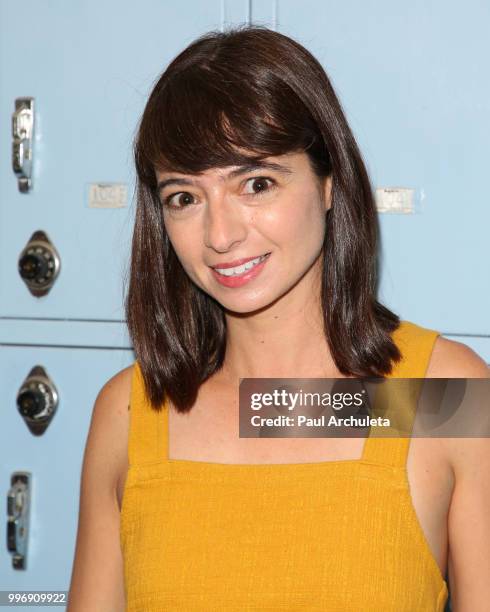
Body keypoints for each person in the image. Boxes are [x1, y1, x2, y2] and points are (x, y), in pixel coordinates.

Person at [67, 25, 490, 611]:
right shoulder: (131, 412)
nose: (220, 235)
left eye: (257, 183)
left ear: (328, 183)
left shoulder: (444, 396)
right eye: (184, 197)